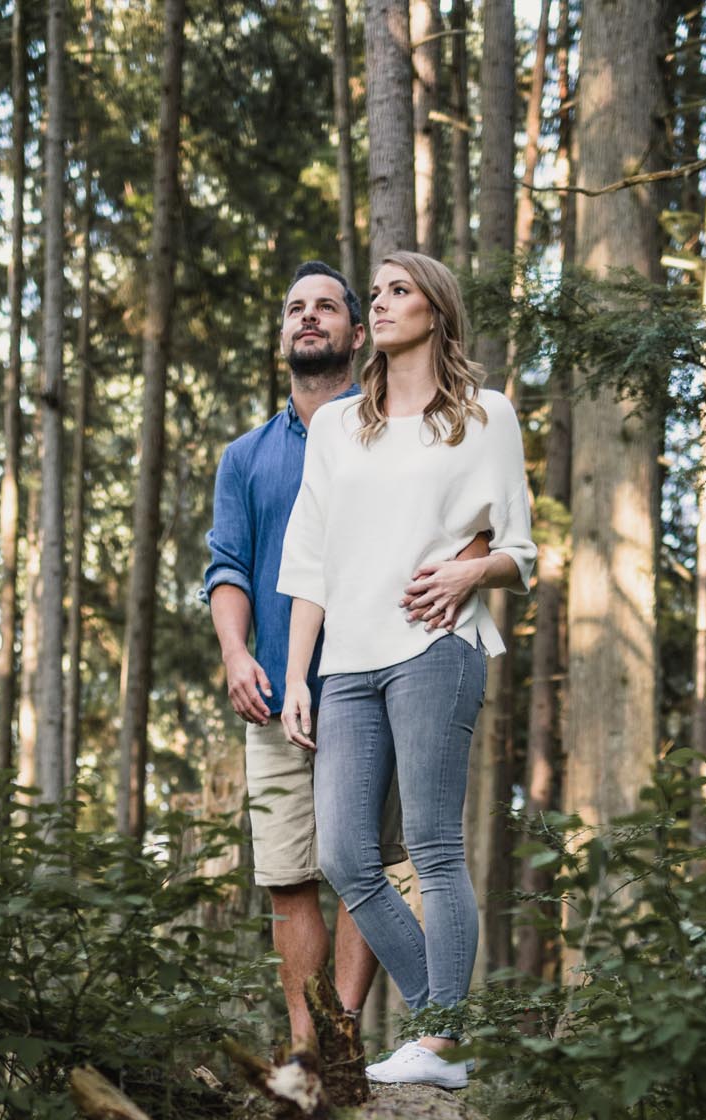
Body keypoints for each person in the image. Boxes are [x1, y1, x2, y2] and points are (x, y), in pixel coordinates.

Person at [277, 250, 535, 1091]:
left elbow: (521, 550)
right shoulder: (336, 428)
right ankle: (442, 1023)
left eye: (396, 291)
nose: (379, 305)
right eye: (376, 294)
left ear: (435, 308)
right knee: (349, 856)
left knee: (429, 845)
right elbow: (307, 561)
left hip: (437, 649)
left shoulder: (484, 416)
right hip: (346, 663)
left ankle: (438, 1043)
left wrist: (470, 572)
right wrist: (295, 679)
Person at [202, 262, 396, 1054]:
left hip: (372, 686)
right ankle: (305, 1045)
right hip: (274, 693)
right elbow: (227, 568)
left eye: (325, 307)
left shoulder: (392, 435)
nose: (307, 318)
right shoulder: (245, 458)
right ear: (282, 334)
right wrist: (236, 655)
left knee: (362, 866)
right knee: (288, 876)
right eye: (294, 309)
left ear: (357, 333)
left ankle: (344, 1036)